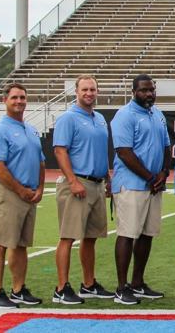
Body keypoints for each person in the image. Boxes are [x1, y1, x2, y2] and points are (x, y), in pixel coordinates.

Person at [110, 74, 171, 305]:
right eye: (144, 90)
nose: (149, 94)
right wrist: (149, 176)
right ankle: (121, 287)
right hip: (132, 184)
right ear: (134, 91)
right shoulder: (124, 115)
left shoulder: (157, 114)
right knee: (127, 233)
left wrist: (163, 173)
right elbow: (124, 152)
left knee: (147, 234)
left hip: (153, 185)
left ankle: (137, 283)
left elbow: (167, 146)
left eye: (152, 90)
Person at [52, 74, 113, 305]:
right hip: (77, 183)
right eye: (85, 89)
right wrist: (72, 181)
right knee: (68, 236)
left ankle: (88, 284)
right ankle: (61, 288)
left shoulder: (99, 119)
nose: (89, 93)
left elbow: (99, 151)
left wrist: (107, 178)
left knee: (91, 238)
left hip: (96, 183)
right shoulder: (68, 118)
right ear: (76, 92)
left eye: (93, 89)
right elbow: (60, 151)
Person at [0, 83, 46, 309]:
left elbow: (40, 161)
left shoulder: (30, 129)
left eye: (22, 97)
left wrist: (39, 188)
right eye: (14, 98)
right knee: (0, 243)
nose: (19, 101)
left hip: (28, 194)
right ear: (5, 101)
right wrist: (21, 190)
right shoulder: (0, 130)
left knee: (21, 245)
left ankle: (18, 290)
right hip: (8, 192)